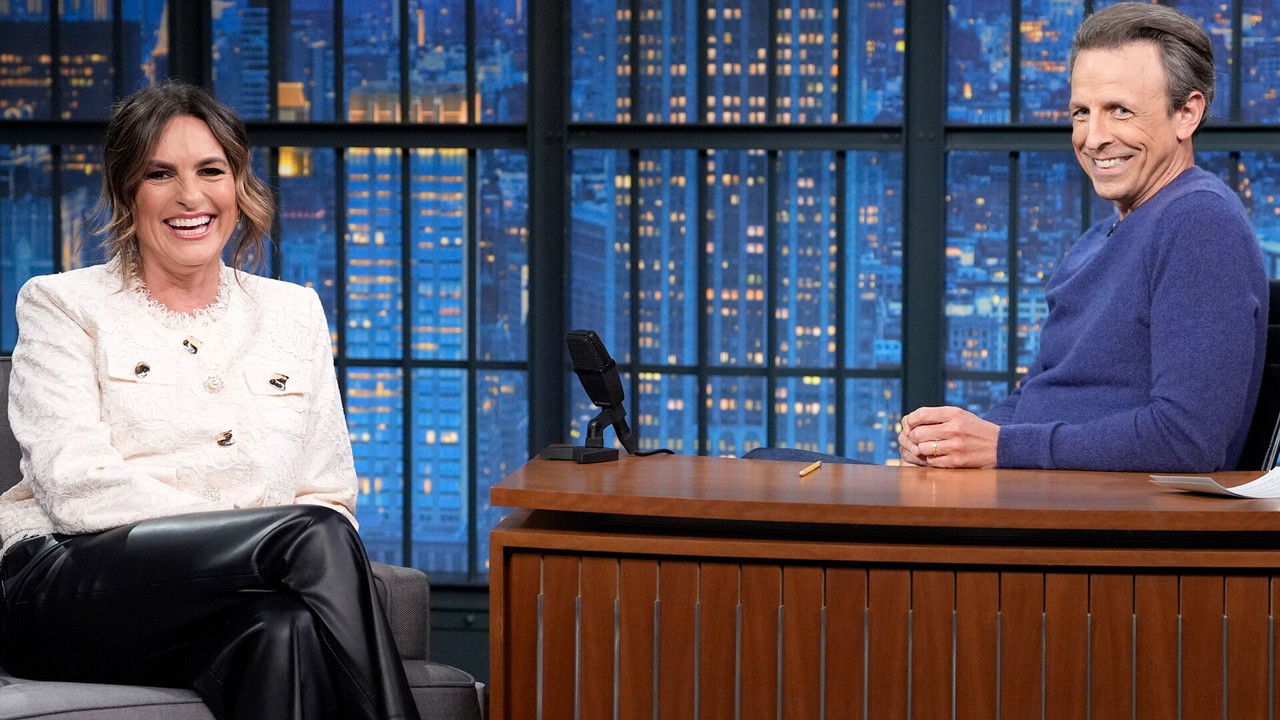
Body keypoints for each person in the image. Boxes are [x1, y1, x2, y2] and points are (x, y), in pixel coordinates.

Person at [0, 82, 420, 720]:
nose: (190, 196)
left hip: (229, 598)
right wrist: (251, 537)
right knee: (312, 536)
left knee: (284, 631)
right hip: (65, 587)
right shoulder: (61, 304)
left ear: (239, 184)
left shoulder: (294, 312)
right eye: (159, 174)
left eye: (210, 171)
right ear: (125, 191)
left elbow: (327, 491)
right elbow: (75, 487)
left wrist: (252, 549)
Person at [898, 2, 1267, 471]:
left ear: (1187, 114)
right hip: (1034, 494)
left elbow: (1187, 439)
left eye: (1120, 111)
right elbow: (1037, 397)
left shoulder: (1200, 222)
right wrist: (947, 443)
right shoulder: (1098, 239)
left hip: (1101, 511)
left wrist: (1001, 447)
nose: (1093, 138)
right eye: (1080, 113)